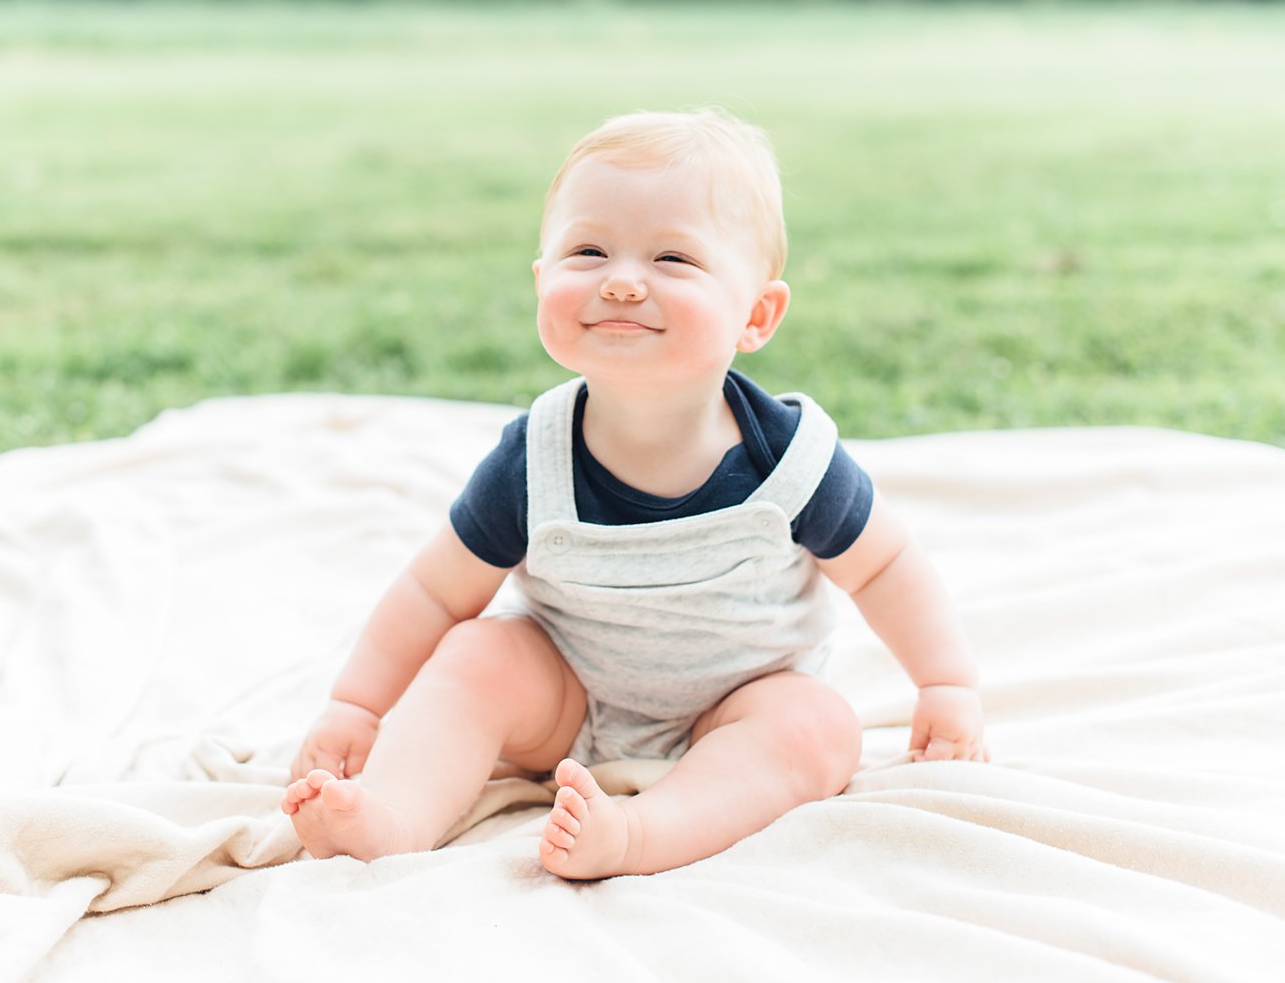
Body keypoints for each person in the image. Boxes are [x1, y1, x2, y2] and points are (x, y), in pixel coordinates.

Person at [282, 108, 987, 880]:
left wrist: (945, 683)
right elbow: (433, 590)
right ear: (543, 279)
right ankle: (393, 813)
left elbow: (886, 567)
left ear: (756, 314)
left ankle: (641, 832)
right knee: (479, 651)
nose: (621, 280)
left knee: (818, 725)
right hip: (566, 702)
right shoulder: (535, 459)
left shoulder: (788, 459)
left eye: (673, 258)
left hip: (737, 705)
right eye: (587, 250)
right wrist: (356, 705)